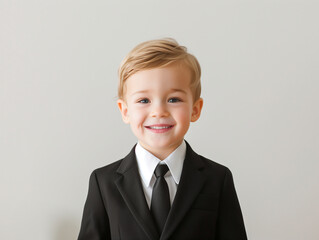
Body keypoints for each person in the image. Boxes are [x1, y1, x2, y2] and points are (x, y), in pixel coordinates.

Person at [78, 38, 247, 240]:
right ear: (125, 111)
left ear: (195, 109)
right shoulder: (103, 182)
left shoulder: (218, 179)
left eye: (173, 99)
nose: (158, 112)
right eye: (144, 100)